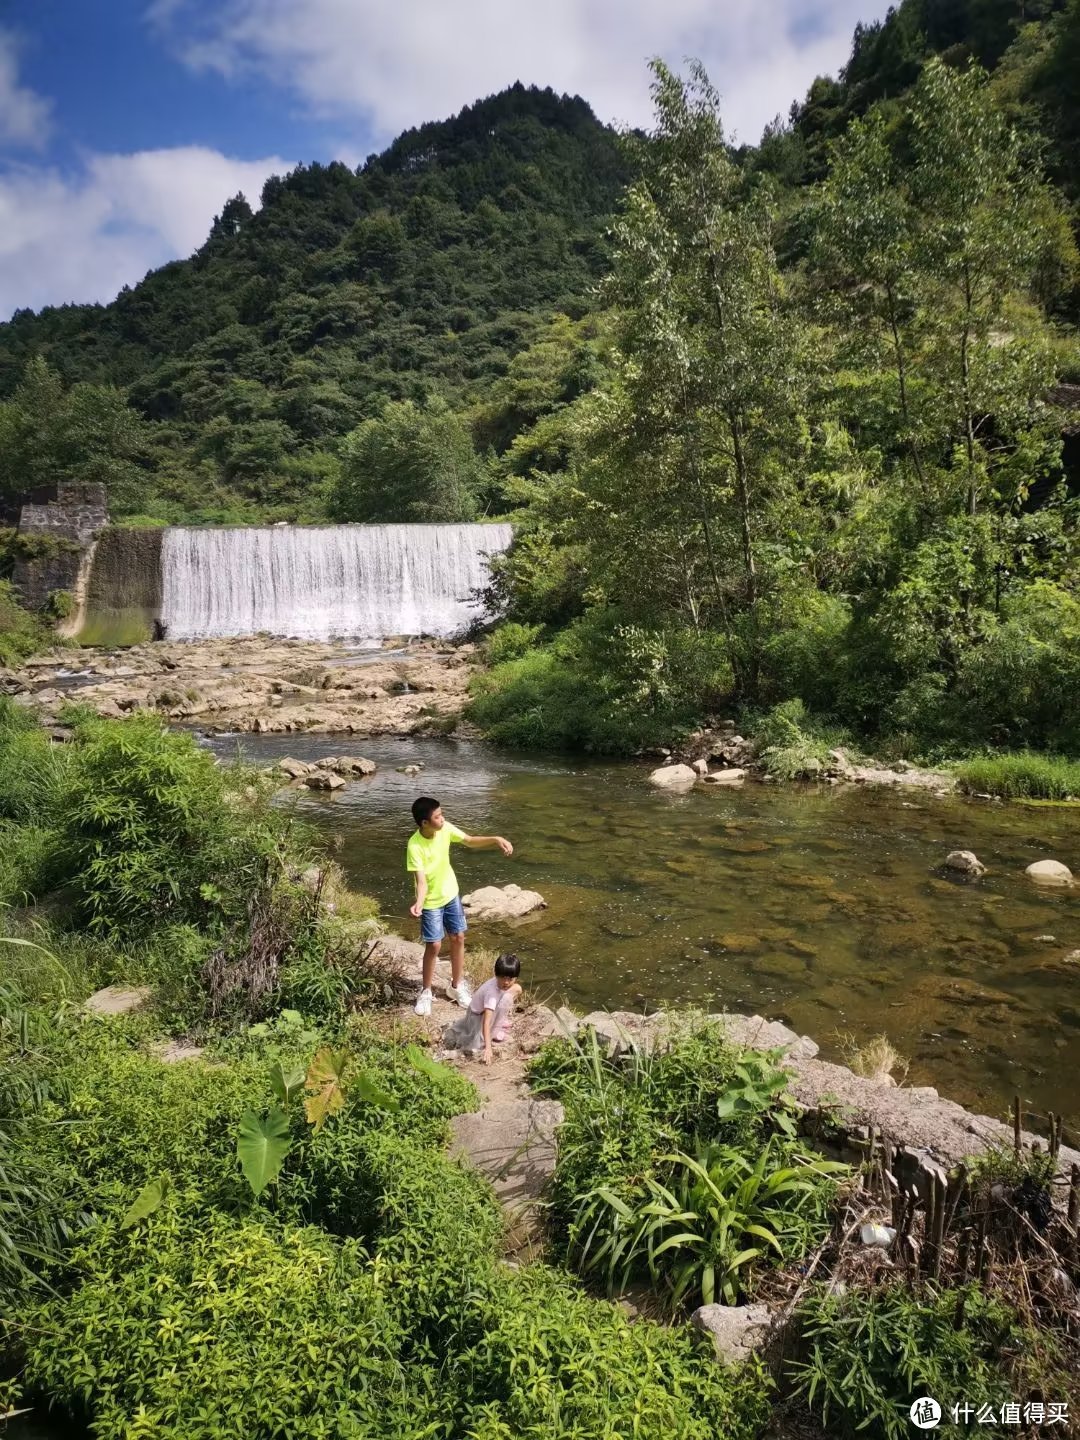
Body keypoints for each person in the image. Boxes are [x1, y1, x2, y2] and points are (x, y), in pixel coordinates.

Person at [406, 795, 513, 1016]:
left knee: (458, 937)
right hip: (431, 901)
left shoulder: (444, 829)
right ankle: (426, 991)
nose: (442, 818)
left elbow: (469, 840)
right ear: (425, 823)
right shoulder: (414, 846)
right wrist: (419, 902)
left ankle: (456, 986)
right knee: (434, 945)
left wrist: (495, 838)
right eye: (437, 816)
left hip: (451, 894)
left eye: (442, 813)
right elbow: (421, 881)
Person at [443, 953, 523, 1064]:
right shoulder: (492, 994)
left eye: (510, 978)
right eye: (503, 978)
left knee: (515, 990)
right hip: (476, 1018)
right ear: (496, 975)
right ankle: (493, 1031)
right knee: (505, 1000)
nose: (506, 982)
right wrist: (488, 1048)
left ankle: (497, 1024)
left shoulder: (499, 984)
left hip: (481, 1012)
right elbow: (486, 1022)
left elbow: (518, 989)